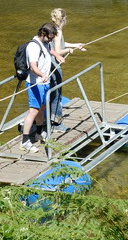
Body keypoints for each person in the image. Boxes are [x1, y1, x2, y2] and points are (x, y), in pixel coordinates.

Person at [20, 22, 61, 153]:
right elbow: (33, 66)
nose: (50, 40)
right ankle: (25, 141)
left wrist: (57, 55)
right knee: (33, 111)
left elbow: (49, 49)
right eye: (50, 38)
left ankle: (39, 132)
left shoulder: (44, 42)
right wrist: (42, 74)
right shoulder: (33, 47)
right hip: (35, 83)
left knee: (42, 108)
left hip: (44, 83)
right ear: (43, 34)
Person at [48, 8, 86, 129]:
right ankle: (57, 124)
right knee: (56, 94)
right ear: (64, 19)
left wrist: (76, 45)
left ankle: (48, 119)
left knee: (51, 93)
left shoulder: (50, 28)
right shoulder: (58, 31)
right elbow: (59, 51)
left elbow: (58, 44)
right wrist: (69, 50)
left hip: (47, 65)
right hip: (54, 66)